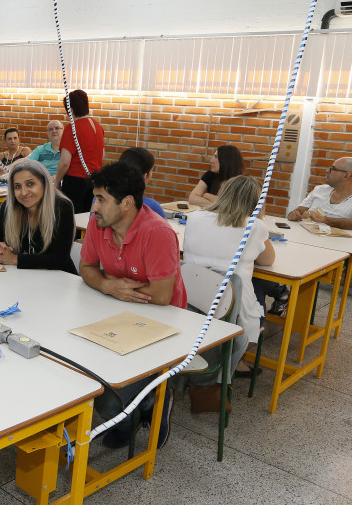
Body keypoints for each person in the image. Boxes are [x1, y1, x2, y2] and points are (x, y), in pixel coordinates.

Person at [79, 162, 186, 449]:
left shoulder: (158, 233)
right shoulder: (98, 223)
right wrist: (106, 284)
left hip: (163, 322)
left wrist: (114, 282)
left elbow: (162, 296)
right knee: (83, 369)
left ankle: (152, 402)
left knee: (110, 394)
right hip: (116, 312)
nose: (93, 207)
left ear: (126, 203)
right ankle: (134, 410)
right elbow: (86, 267)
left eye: (100, 199)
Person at [183, 176, 276, 411]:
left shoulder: (194, 218)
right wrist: (259, 218)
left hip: (190, 303)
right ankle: (232, 367)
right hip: (231, 309)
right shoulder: (254, 226)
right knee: (259, 293)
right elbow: (268, 260)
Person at [0, 159, 76, 274]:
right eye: (17, 186)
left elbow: (59, 259)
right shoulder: (8, 207)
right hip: (22, 278)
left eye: (30, 184)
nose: (23, 192)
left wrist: (15, 259)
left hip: (59, 279)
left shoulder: (61, 207)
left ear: (44, 183)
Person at [286, 156, 352, 231]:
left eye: (333, 169)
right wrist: (294, 214)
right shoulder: (319, 190)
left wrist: (323, 220)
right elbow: (300, 210)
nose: (327, 171)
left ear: (346, 175)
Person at [57, 89, 104, 213]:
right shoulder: (98, 126)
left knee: (73, 217)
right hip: (95, 179)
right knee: (89, 216)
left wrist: (57, 182)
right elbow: (102, 154)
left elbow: (65, 162)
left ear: (71, 110)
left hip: (75, 181)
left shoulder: (71, 128)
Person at [118, 147, 166, 218]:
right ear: (144, 176)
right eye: (152, 170)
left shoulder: (101, 200)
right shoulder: (151, 207)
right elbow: (165, 228)